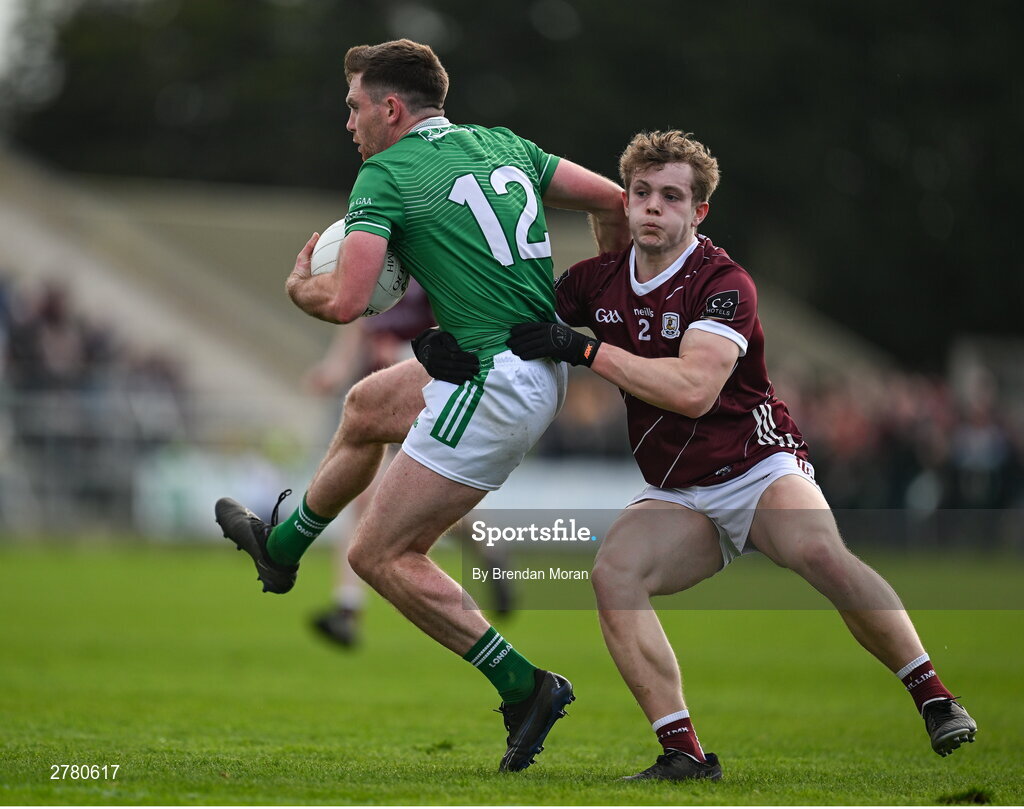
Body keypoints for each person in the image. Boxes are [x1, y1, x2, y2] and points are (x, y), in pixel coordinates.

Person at [501, 130, 978, 780]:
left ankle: (934, 695)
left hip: (758, 464)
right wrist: (449, 338)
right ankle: (684, 754)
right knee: (614, 572)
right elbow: (512, 318)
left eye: (671, 196)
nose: (651, 207)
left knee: (818, 553)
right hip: (678, 487)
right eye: (641, 192)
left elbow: (694, 391)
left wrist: (582, 350)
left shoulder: (723, 281)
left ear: (699, 211)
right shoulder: (596, 281)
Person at [214, 38, 629, 772]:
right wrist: (607, 293)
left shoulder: (386, 173)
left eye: (354, 107)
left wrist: (297, 287)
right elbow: (614, 200)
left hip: (495, 382)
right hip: (521, 366)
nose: (350, 124)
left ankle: (524, 684)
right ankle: (279, 550)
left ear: (391, 108)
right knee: (367, 405)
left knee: (380, 554)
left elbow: (345, 302)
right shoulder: (502, 144)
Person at [305, 281, 515, 648]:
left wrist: (404, 351)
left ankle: (491, 553)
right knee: (362, 500)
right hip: (378, 402)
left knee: (428, 502)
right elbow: (359, 329)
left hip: (423, 395)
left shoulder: (426, 266)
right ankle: (346, 609)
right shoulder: (370, 268)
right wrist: (334, 370)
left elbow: (457, 327)